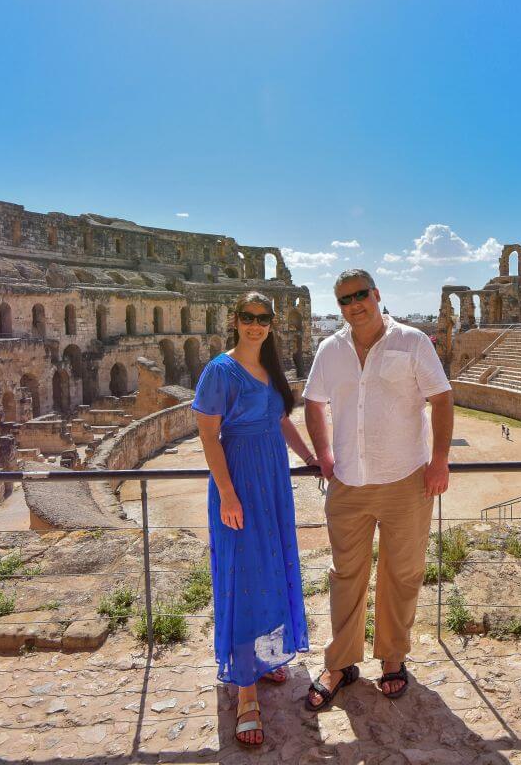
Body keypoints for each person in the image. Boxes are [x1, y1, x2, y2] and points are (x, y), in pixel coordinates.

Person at [303, 269, 453, 710]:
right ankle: (340, 663)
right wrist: (324, 455)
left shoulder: (412, 341)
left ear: (376, 294)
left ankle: (392, 658)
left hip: (406, 479)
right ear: (340, 307)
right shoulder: (330, 350)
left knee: (401, 573)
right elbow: (313, 402)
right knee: (345, 575)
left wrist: (439, 459)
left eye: (361, 295)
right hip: (348, 481)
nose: (355, 304)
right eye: (345, 299)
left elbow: (442, 398)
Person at [192, 292, 316, 748]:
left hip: (273, 482)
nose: (255, 325)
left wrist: (310, 457)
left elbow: (282, 422)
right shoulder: (220, 370)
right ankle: (246, 692)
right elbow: (208, 436)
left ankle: (264, 657)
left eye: (263, 319)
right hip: (240, 481)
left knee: (271, 566)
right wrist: (227, 493)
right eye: (248, 317)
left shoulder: (271, 369)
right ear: (235, 319)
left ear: (272, 323)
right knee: (244, 573)